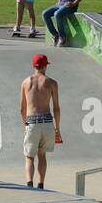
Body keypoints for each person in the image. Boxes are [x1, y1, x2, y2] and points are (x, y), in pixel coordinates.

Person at [20, 53, 61, 189]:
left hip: (31, 122)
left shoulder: (26, 82)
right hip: (47, 122)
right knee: (42, 155)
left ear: (34, 66)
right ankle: (41, 184)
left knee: (29, 156)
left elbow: (22, 108)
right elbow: (56, 108)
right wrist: (57, 128)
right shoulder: (52, 83)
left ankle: (29, 184)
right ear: (44, 66)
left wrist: (25, 124)